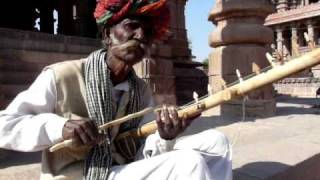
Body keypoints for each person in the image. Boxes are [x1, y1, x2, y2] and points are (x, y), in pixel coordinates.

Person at [0, 0, 232, 179]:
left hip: (123, 166)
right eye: (132, 26)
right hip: (81, 174)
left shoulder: (139, 89)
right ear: (107, 35)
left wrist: (165, 136)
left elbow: (144, 148)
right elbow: (5, 126)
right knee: (188, 162)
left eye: (147, 33)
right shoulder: (63, 75)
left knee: (216, 141)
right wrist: (58, 127)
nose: (141, 36)